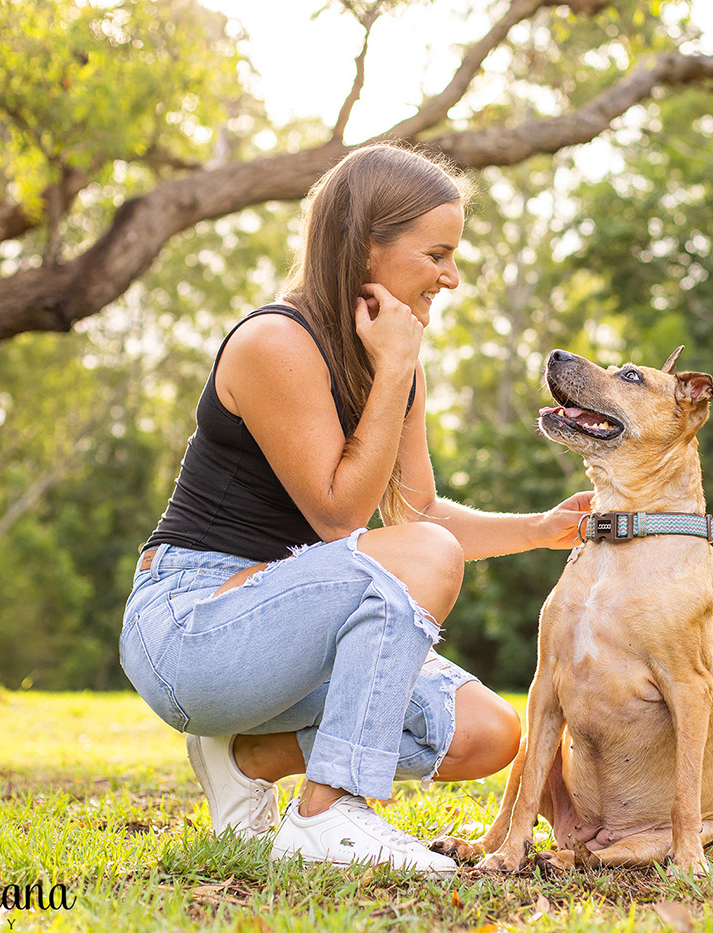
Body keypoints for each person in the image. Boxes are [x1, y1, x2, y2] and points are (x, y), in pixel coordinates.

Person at [120, 142, 592, 874]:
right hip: (192, 629)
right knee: (422, 557)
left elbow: (418, 512)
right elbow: (342, 515)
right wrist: (395, 367)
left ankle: (250, 755)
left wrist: (542, 529)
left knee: (488, 733)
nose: (452, 275)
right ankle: (327, 813)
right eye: (437, 252)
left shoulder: (397, 370)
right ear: (368, 243)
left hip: (283, 630)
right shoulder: (273, 341)